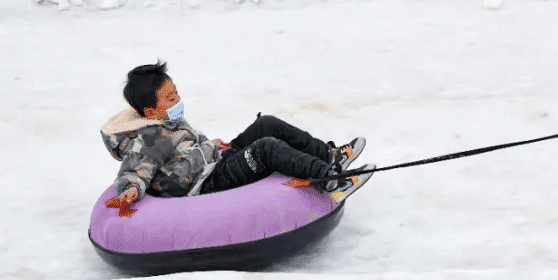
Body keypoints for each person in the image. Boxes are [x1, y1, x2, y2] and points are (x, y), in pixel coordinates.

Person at [101, 60, 370, 208]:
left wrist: (209, 145)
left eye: (176, 93)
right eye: (170, 99)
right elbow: (133, 172)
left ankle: (330, 155)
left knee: (266, 124)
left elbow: (186, 145)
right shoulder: (146, 140)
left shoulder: (168, 121)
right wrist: (131, 190)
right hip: (204, 184)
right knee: (266, 148)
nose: (178, 100)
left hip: (212, 162)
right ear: (150, 111)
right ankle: (330, 179)